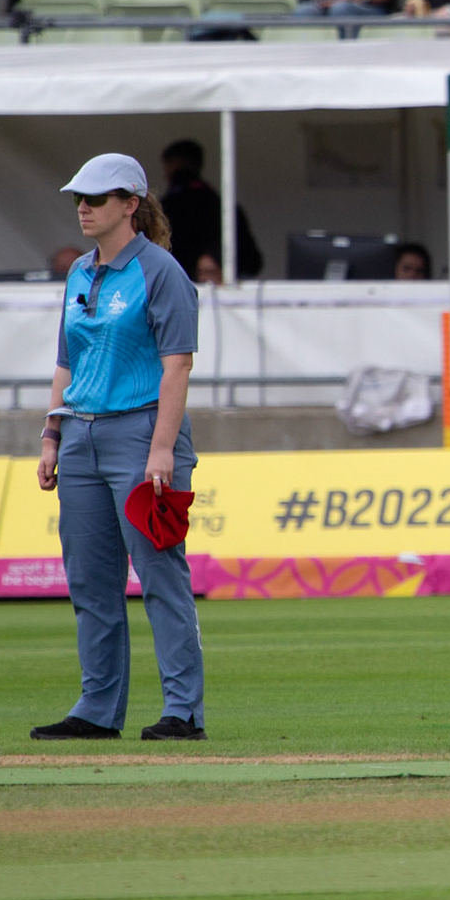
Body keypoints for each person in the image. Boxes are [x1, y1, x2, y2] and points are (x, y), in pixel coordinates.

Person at [30, 153, 204, 743]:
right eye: (79, 197)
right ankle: (97, 710)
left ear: (130, 204)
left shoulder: (161, 272)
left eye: (98, 198)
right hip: (80, 435)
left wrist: (161, 451)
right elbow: (65, 361)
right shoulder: (80, 271)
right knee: (90, 583)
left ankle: (183, 711)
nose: (84, 207)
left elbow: (176, 365)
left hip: (141, 436)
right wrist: (51, 434)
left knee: (160, 577)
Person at [160, 139, 263, 282]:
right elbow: (251, 261)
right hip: (219, 292)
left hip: (176, 288)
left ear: (171, 166)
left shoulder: (165, 208)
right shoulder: (223, 205)